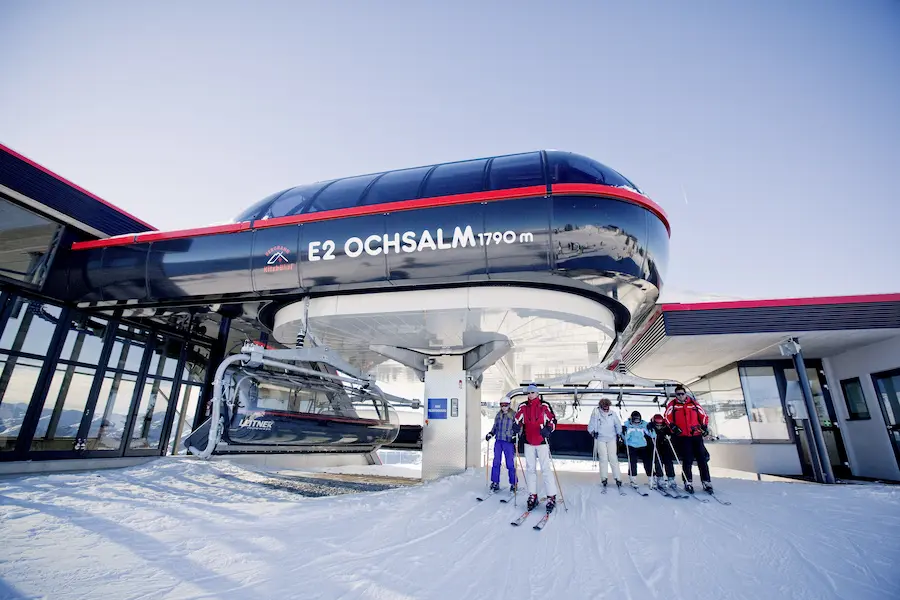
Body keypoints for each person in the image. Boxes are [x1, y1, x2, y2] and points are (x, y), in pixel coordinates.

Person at [513, 384, 558, 513]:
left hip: (542, 442)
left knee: (545, 469)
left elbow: (553, 421)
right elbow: (517, 420)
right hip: (528, 442)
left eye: (532, 392)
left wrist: (548, 429)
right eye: (528, 392)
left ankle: (551, 496)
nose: (530, 394)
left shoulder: (544, 406)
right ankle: (533, 495)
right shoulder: (523, 406)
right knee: (530, 470)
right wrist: (516, 427)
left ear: (537, 393)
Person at [664, 384, 713, 493]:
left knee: (702, 459)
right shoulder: (673, 405)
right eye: (678, 394)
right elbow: (667, 417)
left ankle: (706, 481)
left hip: (696, 435)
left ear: (685, 394)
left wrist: (704, 426)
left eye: (682, 394)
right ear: (675, 395)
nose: (680, 396)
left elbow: (704, 415)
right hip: (683, 436)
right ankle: (688, 481)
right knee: (687, 459)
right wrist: (673, 427)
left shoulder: (693, 404)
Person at [587, 398, 623, 491]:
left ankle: (617, 478)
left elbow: (618, 424)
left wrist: (619, 433)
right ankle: (604, 478)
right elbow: (590, 426)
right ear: (601, 407)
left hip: (611, 438)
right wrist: (592, 432)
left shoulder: (613, 414)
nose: (606, 410)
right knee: (603, 458)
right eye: (604, 408)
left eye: (607, 408)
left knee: (613, 458)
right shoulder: (596, 414)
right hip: (601, 439)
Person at [485, 399, 517, 492]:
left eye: (505, 405)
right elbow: (495, 427)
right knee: (496, 462)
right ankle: (495, 482)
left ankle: (513, 483)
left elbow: (519, 427)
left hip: (508, 441)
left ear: (509, 405)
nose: (504, 407)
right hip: (499, 441)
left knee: (510, 463)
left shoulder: (514, 415)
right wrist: (491, 433)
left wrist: (515, 436)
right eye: (502, 405)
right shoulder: (498, 415)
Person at [646, 413, 677, 490]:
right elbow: (647, 434)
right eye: (657, 425)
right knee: (658, 459)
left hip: (664, 445)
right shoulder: (650, 426)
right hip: (655, 446)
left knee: (668, 460)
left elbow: (670, 432)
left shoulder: (665, 426)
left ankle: (671, 478)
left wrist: (669, 436)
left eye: (660, 425)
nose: (659, 427)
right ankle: (660, 477)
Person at [622, 410, 652, 486]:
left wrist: (651, 428)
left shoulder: (643, 425)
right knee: (633, 461)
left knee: (647, 461)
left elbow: (652, 435)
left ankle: (651, 478)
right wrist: (624, 431)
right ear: (632, 419)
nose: (636, 423)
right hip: (631, 445)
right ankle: (633, 479)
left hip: (642, 445)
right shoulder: (628, 425)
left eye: (638, 421)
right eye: (635, 421)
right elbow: (625, 438)